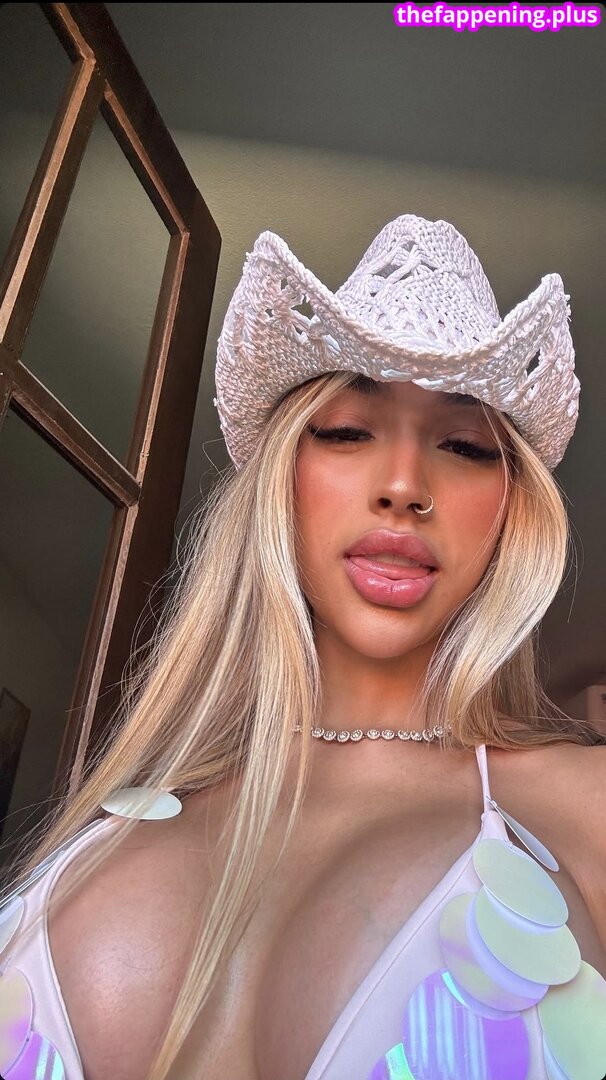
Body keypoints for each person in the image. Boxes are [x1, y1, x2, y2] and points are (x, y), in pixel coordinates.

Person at [1, 214, 605, 1080]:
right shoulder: (116, 825)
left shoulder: (586, 804)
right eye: (348, 431)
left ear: (511, 511)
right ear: (283, 478)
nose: (404, 485)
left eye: (465, 446)